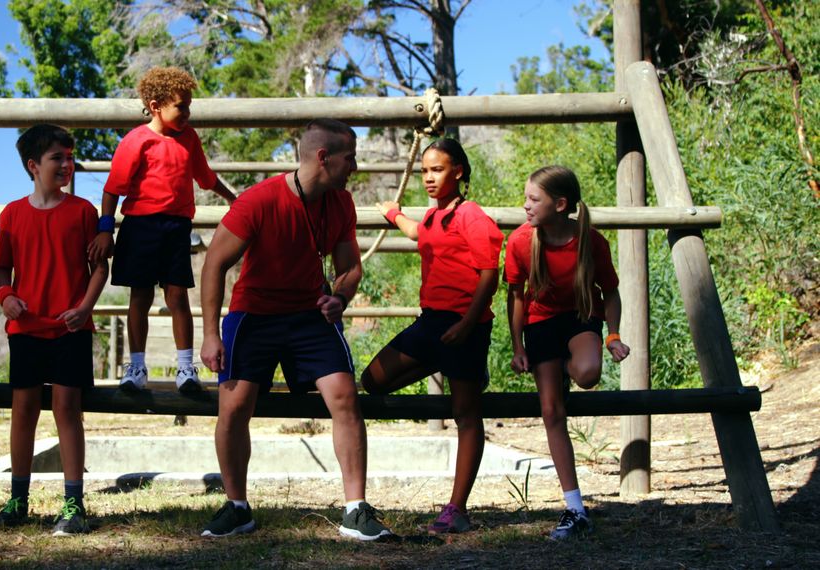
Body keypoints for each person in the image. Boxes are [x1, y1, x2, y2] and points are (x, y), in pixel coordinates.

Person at [198, 119, 391, 541]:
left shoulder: (341, 203)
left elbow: (350, 268)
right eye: (350, 158)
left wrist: (339, 297)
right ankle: (237, 506)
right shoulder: (258, 201)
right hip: (255, 314)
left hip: (310, 316)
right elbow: (214, 264)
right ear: (324, 158)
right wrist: (211, 334)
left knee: (345, 396)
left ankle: (355, 511)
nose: (354, 167)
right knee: (233, 406)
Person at [362, 138, 503, 535]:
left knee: (465, 415)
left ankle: (456, 509)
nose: (428, 177)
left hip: (466, 325)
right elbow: (418, 234)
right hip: (430, 323)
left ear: (458, 171)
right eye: (424, 170)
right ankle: (448, 368)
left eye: (437, 170)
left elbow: (489, 275)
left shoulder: (472, 216)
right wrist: (393, 214)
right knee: (373, 381)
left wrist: (468, 324)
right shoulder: (432, 215)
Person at [0, 124, 108, 536]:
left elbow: (100, 268)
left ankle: (74, 507)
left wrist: (84, 307)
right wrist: (5, 296)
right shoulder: (12, 214)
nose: (67, 164)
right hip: (25, 331)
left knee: (67, 412)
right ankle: (17, 502)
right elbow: (1, 266)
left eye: (70, 157)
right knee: (23, 413)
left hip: (71, 330)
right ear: (33, 166)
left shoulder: (83, 212)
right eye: (58, 158)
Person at [89, 66, 236, 395]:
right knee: (139, 296)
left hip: (176, 228)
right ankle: (136, 367)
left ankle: (185, 368)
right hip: (140, 226)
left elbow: (206, 177)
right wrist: (105, 229)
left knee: (177, 296)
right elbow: (113, 188)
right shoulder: (136, 141)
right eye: (180, 106)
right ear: (156, 106)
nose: (186, 113)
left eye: (189, 106)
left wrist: (233, 199)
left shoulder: (189, 138)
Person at [504, 165, 631, 540]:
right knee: (551, 410)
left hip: (580, 318)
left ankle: (565, 368)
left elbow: (610, 292)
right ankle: (575, 508)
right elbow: (515, 296)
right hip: (540, 325)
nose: (525, 206)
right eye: (526, 198)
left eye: (533, 199)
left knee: (589, 375)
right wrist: (517, 346)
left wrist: (612, 335)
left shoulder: (591, 241)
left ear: (560, 205)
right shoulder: (520, 242)